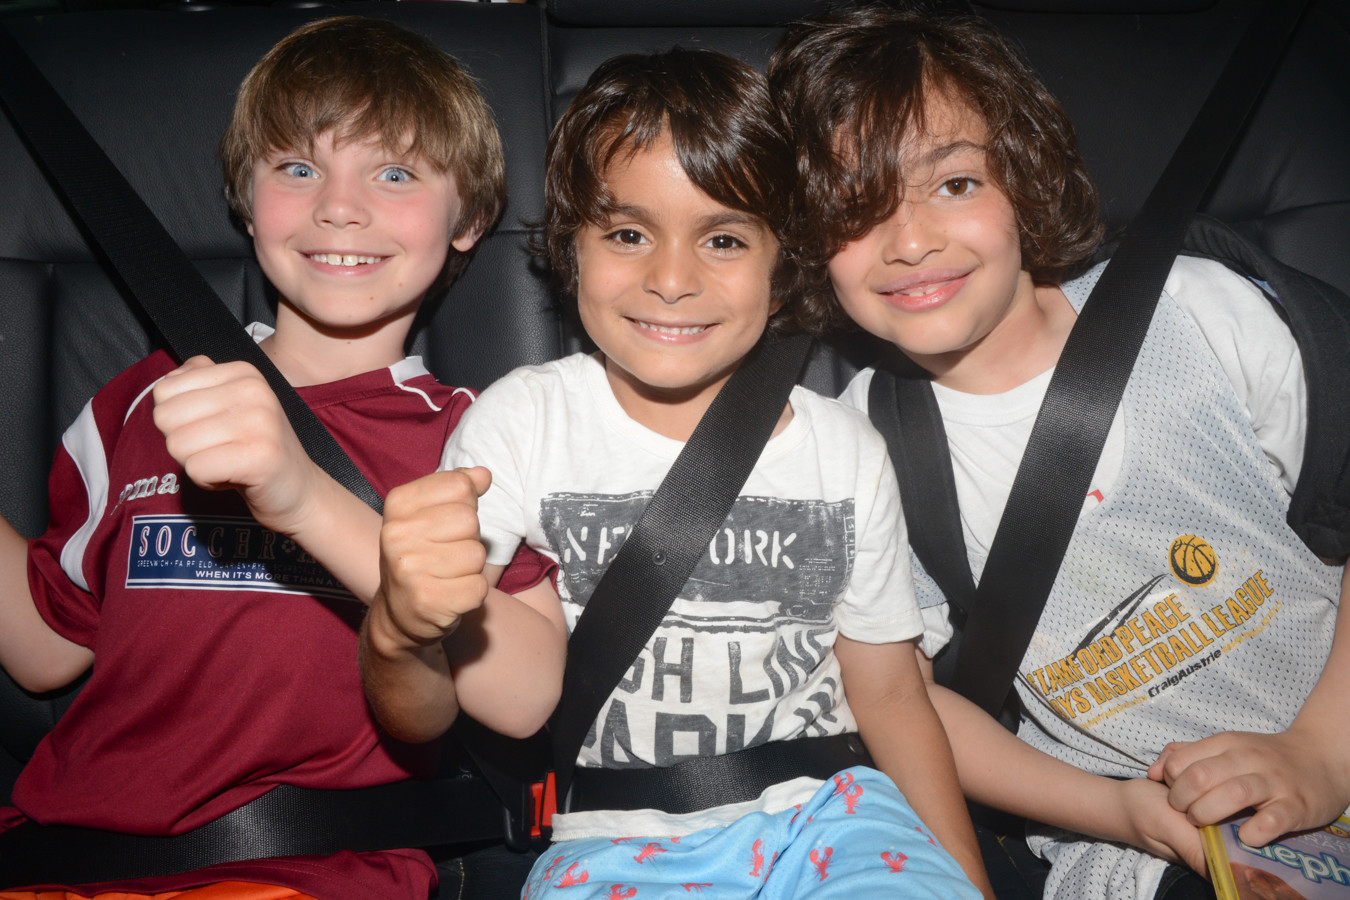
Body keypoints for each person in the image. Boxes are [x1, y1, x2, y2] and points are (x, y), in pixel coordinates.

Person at [362, 46, 993, 899]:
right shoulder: (521, 424)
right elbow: (424, 711)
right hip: (614, 839)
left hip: (836, 816)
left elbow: (889, 696)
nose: (669, 279)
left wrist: (968, 879)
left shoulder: (842, 448)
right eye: (627, 234)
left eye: (724, 239)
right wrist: (401, 631)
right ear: (571, 248)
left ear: (781, 270)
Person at [769, 5, 1350, 900]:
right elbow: (904, 701)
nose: (911, 238)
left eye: (955, 184)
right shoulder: (852, 450)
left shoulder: (1196, 313)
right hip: (1140, 837)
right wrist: (1116, 812)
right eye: (854, 208)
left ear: (1026, 180)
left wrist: (1322, 751)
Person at [0, 16, 558, 899]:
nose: (340, 205)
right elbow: (45, 652)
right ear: (245, 201)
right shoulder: (145, 400)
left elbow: (523, 694)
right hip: (59, 855)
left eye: (396, 173)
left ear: (469, 220)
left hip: (305, 868)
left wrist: (305, 496)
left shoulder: (477, 436)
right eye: (297, 169)